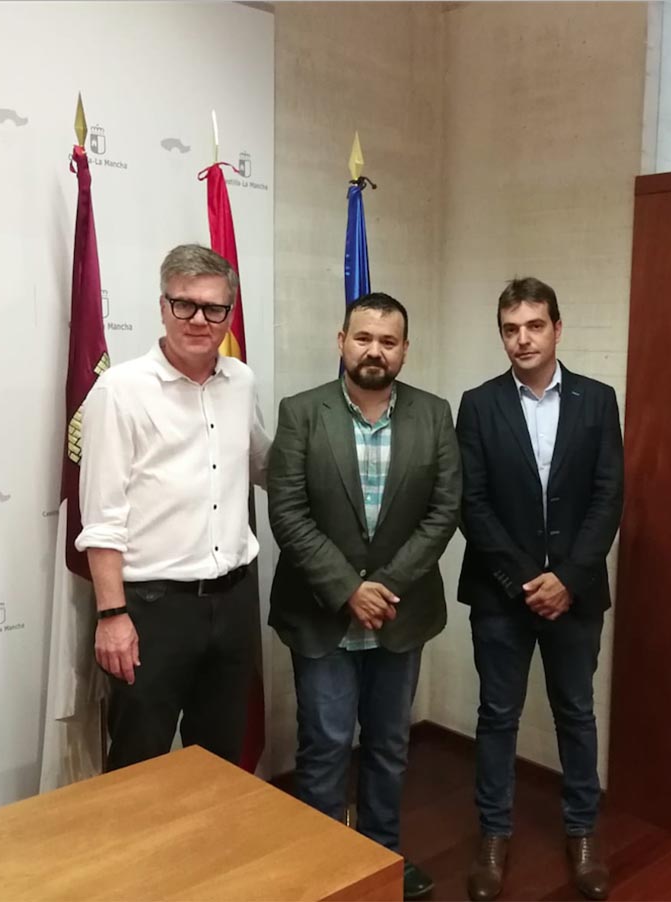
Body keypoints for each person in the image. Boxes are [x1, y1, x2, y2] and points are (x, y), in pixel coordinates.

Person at [268, 292, 461, 900]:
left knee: (388, 747)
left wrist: (387, 587)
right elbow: (288, 511)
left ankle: (381, 861)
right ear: (341, 340)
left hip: (400, 616)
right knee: (323, 747)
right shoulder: (302, 412)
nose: (374, 350)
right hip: (322, 613)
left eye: (388, 340)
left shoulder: (434, 414)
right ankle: (328, 872)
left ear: (405, 349)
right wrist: (349, 589)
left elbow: (444, 509)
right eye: (363, 337)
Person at [456, 277, 624, 901]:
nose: (521, 338)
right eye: (509, 328)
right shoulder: (478, 404)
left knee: (575, 714)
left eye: (533, 325)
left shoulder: (597, 400)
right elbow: (472, 505)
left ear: (557, 328)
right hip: (503, 596)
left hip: (575, 597)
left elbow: (609, 497)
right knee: (497, 717)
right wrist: (530, 579)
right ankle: (493, 835)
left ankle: (582, 831)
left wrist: (570, 580)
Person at [76, 244, 270, 771]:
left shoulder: (242, 382)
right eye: (185, 305)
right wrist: (112, 615)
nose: (199, 320)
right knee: (140, 765)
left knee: (222, 762)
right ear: (163, 306)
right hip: (153, 611)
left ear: (229, 314)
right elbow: (101, 519)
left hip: (232, 606)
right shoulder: (119, 391)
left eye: (214, 309)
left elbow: (263, 467)